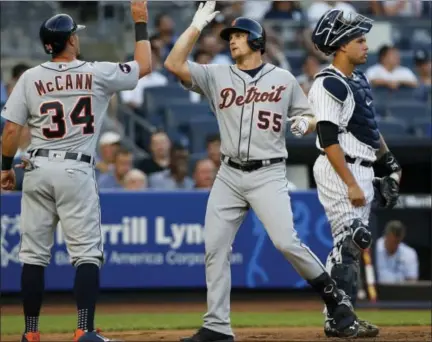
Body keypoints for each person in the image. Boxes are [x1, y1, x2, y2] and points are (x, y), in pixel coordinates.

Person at [164, 2, 359, 341]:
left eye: (239, 36)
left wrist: (303, 121)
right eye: (230, 37)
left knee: (286, 242)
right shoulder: (216, 74)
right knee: (214, 247)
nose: (232, 41)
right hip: (228, 173)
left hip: (267, 173)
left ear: (256, 41)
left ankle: (333, 297)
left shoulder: (282, 79)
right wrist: (196, 25)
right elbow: (173, 63)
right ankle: (217, 326)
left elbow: (313, 118)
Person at [0, 1, 152, 341]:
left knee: (33, 256)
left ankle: (30, 333)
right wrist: (140, 23)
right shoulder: (96, 72)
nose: (77, 40)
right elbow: (144, 66)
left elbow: (10, 132)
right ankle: (83, 328)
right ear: (70, 40)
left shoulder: (29, 77)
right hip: (74, 168)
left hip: (36, 166)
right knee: (85, 253)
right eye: (75, 36)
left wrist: (4, 169)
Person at [308, 9, 402, 338]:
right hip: (339, 168)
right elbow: (327, 139)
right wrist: (350, 183)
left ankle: (342, 314)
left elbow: (368, 129)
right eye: (359, 40)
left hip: (361, 167)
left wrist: (389, 163)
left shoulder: (358, 80)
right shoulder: (327, 83)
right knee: (352, 240)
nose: (366, 45)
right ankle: (338, 316)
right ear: (341, 45)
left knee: (350, 245)